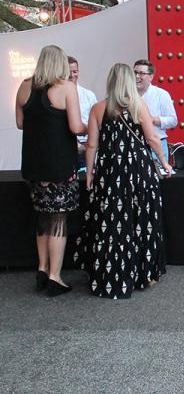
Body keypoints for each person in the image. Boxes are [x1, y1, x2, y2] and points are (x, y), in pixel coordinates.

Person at [81, 64, 172, 299]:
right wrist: (164, 162)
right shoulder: (138, 105)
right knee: (143, 220)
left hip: (110, 173)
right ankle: (145, 274)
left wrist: (90, 172)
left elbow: (92, 145)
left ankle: (113, 275)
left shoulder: (98, 108)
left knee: (113, 222)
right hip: (139, 171)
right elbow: (152, 138)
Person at [15, 45, 86, 296]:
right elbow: (76, 127)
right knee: (58, 219)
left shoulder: (25, 86)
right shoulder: (66, 87)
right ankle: (56, 276)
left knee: (42, 217)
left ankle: (42, 268)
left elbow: (20, 123)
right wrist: (93, 125)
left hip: (33, 164)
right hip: (59, 164)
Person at [133, 59, 178, 167]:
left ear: (151, 77)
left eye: (141, 73)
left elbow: (173, 120)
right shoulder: (127, 95)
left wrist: (153, 120)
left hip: (157, 144)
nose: (137, 76)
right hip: (133, 145)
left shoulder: (161, 94)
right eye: (135, 72)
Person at [68, 55, 97, 164]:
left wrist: (89, 145)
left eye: (75, 71)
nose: (72, 75)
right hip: (66, 148)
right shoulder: (57, 98)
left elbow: (97, 123)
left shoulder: (89, 95)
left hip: (87, 149)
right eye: (68, 72)